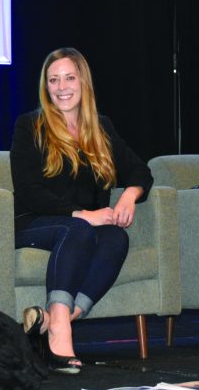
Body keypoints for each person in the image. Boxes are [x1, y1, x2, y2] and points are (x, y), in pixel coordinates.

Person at [11, 47, 153, 373]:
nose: (61, 87)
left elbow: (140, 171)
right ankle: (62, 327)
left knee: (116, 238)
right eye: (53, 80)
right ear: (45, 87)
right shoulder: (29, 126)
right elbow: (30, 192)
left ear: (83, 82)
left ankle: (53, 318)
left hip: (81, 227)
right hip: (33, 223)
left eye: (69, 78)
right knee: (78, 228)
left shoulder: (101, 127)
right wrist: (84, 215)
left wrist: (129, 196)